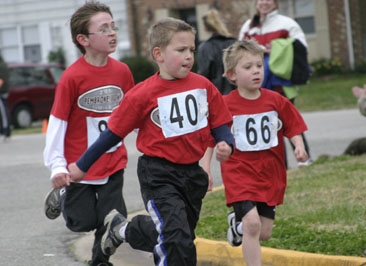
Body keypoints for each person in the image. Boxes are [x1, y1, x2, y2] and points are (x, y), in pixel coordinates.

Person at [67, 17, 234, 266]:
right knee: (175, 238)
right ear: (159, 54)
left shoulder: (204, 86)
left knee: (181, 239)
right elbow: (112, 134)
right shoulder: (142, 94)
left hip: (192, 175)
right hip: (159, 174)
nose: (189, 56)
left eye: (191, 50)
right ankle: (126, 232)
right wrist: (82, 165)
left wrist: (225, 143)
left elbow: (220, 124)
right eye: (181, 50)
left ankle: (121, 230)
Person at [42, 2, 135, 266]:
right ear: (83, 39)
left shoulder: (122, 71)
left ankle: (100, 263)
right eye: (103, 29)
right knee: (82, 221)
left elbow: (132, 112)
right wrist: (57, 166)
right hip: (78, 166)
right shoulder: (72, 78)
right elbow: (57, 124)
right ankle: (63, 196)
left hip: (113, 160)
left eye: (113, 26)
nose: (112, 33)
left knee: (112, 221)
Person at [201, 39, 308, 266]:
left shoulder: (276, 101)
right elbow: (210, 140)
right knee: (252, 224)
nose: (256, 71)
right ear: (232, 75)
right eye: (248, 67)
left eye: (259, 66)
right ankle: (245, 232)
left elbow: (293, 126)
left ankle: (236, 226)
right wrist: (206, 168)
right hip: (239, 172)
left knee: (264, 232)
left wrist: (299, 146)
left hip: (270, 173)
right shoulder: (224, 104)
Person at [238, 0, 312, 167]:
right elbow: (238, 52)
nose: (264, 3)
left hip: (282, 85)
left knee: (290, 121)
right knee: (269, 126)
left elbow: (301, 50)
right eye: (260, 0)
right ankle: (280, 164)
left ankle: (305, 159)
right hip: (258, 86)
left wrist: (277, 49)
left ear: (275, 3)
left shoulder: (287, 24)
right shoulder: (248, 26)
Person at [197, 9, 236, 95]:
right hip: (237, 92)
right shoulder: (234, 43)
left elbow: (204, 75)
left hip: (216, 95)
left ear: (205, 27)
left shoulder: (204, 47)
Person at [0, 55, 11, 141]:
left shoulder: (1, 66)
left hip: (2, 92)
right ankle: (6, 130)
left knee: (3, 113)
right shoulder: (4, 65)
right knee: (4, 111)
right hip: (5, 91)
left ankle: (5, 130)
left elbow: (1, 81)